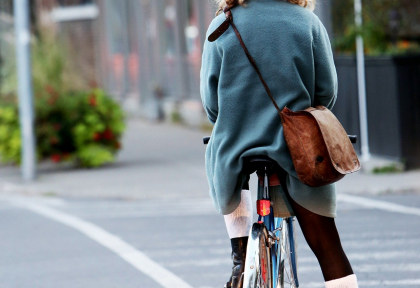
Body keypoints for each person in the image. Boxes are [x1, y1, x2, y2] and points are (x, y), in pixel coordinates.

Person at [199, 0, 359, 288]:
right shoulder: (307, 23)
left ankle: (240, 257)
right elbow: (326, 93)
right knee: (328, 249)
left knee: (224, 165)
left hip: (236, 146)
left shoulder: (222, 24)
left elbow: (211, 105)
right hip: (295, 148)